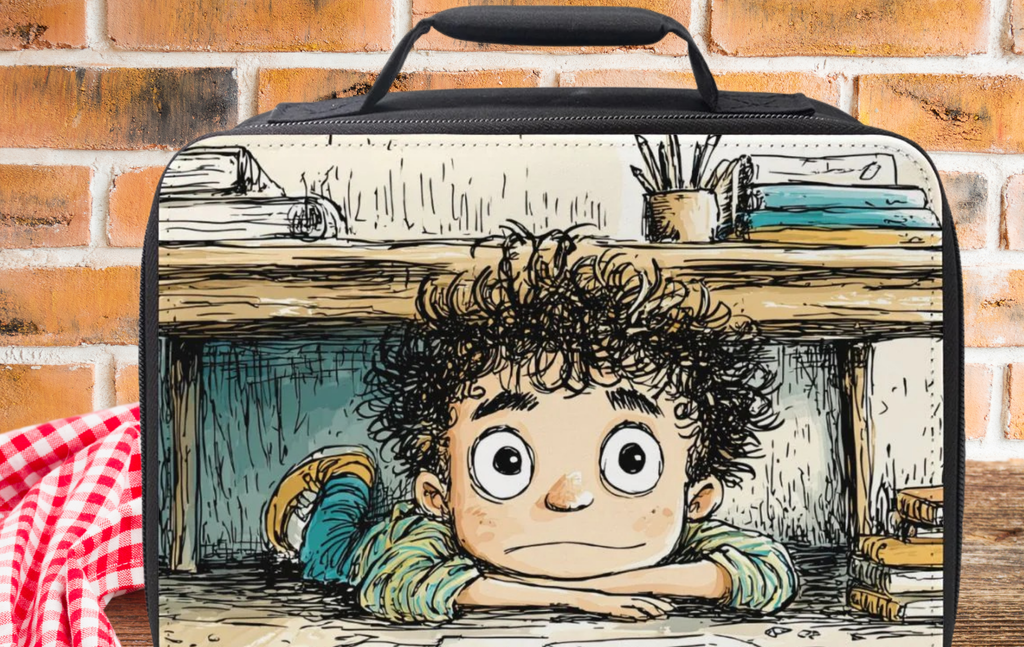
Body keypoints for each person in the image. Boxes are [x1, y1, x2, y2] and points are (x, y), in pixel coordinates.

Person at [264, 226, 797, 624]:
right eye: (507, 463)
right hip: (368, 545)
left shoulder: (681, 534)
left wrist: (623, 579)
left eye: (630, 462)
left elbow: (768, 574)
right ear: (437, 495)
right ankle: (347, 478)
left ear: (696, 499)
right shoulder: (425, 537)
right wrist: (575, 595)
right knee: (327, 556)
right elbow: (395, 586)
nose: (568, 496)